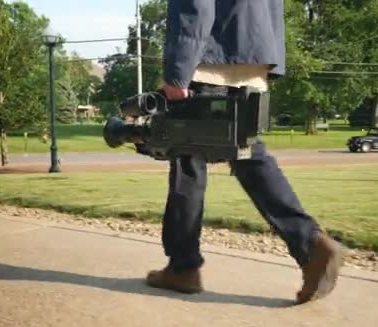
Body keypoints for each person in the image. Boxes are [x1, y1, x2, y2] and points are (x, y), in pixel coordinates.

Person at [146, 0, 344, 305]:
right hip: (254, 50)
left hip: (211, 55)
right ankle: (311, 245)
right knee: (247, 152)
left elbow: (195, 5)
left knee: (187, 156)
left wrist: (178, 71)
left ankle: (182, 267)